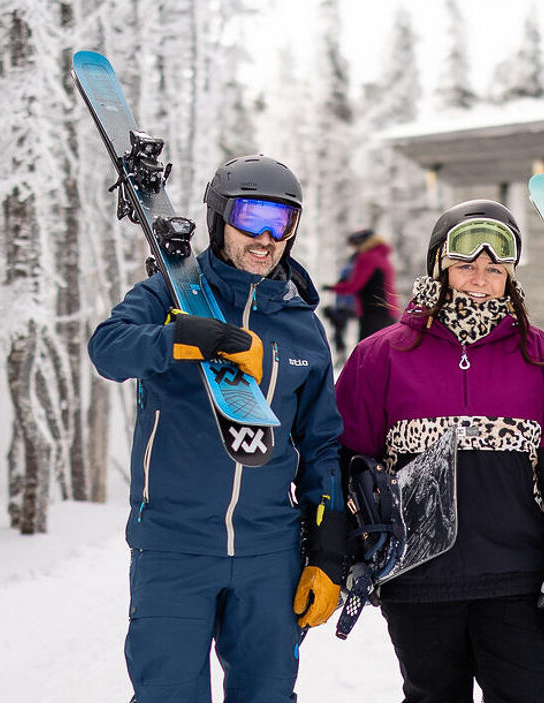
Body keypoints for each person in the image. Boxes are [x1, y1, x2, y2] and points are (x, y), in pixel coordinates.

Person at [88, 154, 347, 702]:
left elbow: (322, 446)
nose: (266, 236)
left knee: (268, 695)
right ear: (218, 218)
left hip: (271, 553)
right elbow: (107, 351)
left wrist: (327, 556)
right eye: (251, 217)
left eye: (282, 222)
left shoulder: (302, 326)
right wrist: (185, 340)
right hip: (174, 546)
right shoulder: (170, 294)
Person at [333, 199, 544, 703]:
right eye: (466, 266)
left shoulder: (543, 357)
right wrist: (346, 547)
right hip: (417, 578)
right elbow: (347, 459)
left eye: (494, 269)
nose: (480, 277)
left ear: (509, 278)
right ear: (439, 266)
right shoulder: (381, 355)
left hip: (516, 578)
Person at [327, 227, 398, 340]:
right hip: (389, 311)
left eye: (355, 245)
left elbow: (354, 285)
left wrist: (332, 288)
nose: (355, 249)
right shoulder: (382, 257)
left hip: (374, 312)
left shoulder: (367, 258)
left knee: (368, 351)